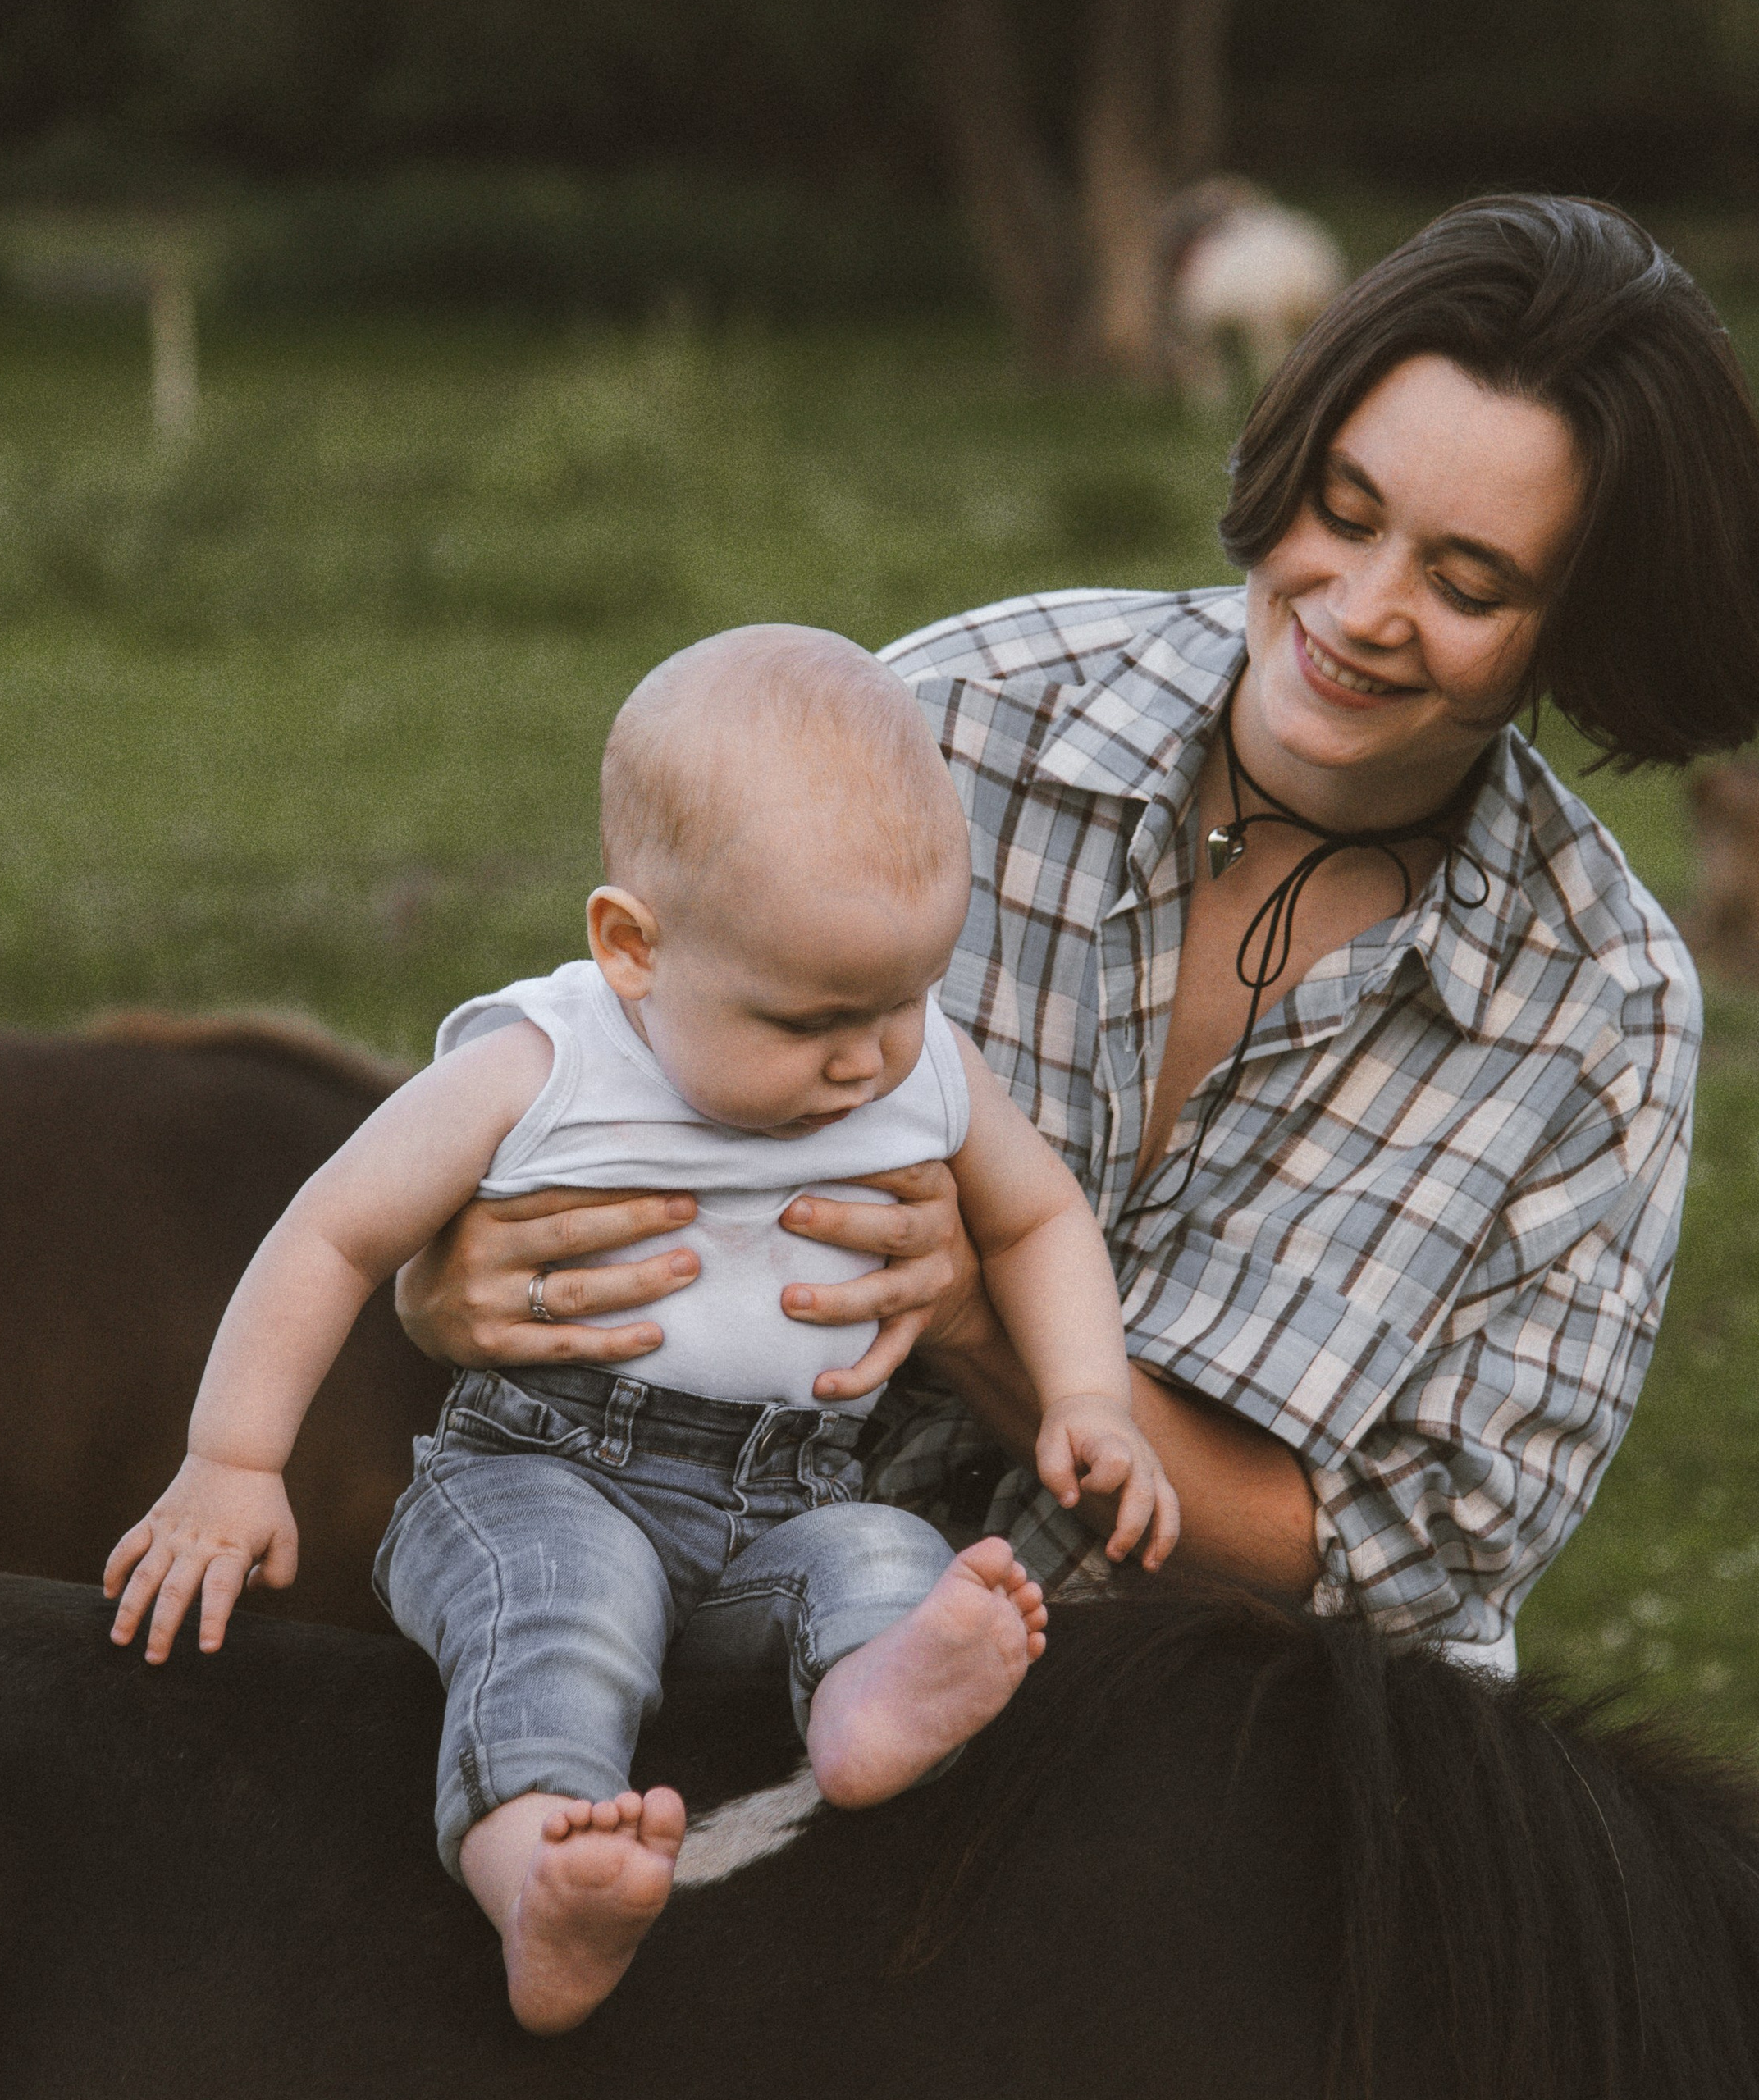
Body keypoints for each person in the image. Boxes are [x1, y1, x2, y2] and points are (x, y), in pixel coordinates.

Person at [394, 195, 1759, 1673]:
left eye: (1467, 586)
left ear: (1581, 626)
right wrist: (456, 1280)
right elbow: (596, 1075)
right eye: (1346, 508)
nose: (1364, 608)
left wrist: (975, 1319)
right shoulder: (944, 725)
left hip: (1215, 1748)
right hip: (738, 1631)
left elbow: (1397, 1573)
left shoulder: (1600, 1009)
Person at [103, 624, 1176, 2035]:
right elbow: (334, 1230)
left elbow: (1038, 1221)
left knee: (884, 1557)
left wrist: (1088, 1396)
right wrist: (235, 1458)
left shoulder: (921, 1071)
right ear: (631, 949)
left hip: (787, 1492)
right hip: (542, 1477)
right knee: (568, 1609)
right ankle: (538, 1872)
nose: (865, 1060)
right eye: (808, 1020)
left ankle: (867, 1711)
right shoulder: (541, 1063)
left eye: (905, 1001)